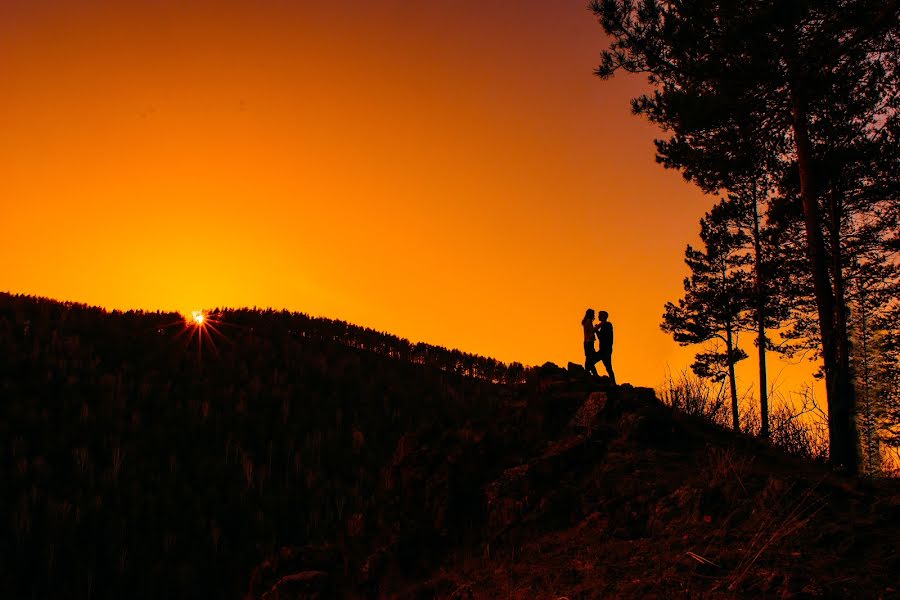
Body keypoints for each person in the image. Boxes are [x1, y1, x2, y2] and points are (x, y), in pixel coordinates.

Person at [595, 310, 616, 385]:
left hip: (604, 350)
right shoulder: (607, 325)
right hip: (606, 350)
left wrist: (596, 330)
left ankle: (596, 378)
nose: (598, 316)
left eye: (600, 315)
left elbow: (601, 337)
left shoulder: (606, 325)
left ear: (603, 316)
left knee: (590, 362)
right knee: (609, 368)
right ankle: (613, 383)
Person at [581, 308, 599, 377]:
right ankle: (591, 373)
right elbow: (592, 330)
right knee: (590, 358)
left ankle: (589, 372)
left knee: (589, 358)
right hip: (589, 342)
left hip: (587, 342)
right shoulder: (588, 321)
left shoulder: (586, 321)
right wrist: (598, 327)